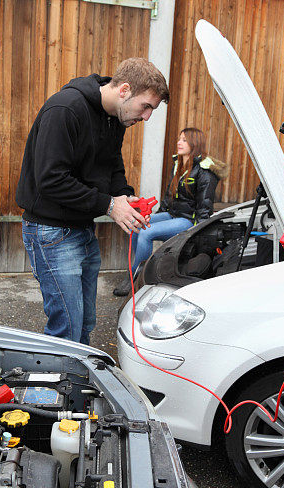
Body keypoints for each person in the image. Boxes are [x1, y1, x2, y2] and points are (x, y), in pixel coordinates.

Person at [17, 58, 169, 344]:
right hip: (51, 232)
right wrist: (110, 206)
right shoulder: (65, 109)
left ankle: (74, 382)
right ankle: (54, 383)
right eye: (146, 106)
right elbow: (50, 180)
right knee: (67, 328)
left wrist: (124, 195)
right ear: (124, 90)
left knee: (85, 322)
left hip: (82, 228)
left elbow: (111, 164)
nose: (147, 117)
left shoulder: (115, 119)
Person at [113, 127, 226, 296]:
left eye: (184, 140)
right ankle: (136, 269)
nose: (179, 143)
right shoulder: (179, 164)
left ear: (194, 143)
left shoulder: (205, 171)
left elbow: (205, 205)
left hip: (188, 220)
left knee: (145, 232)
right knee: (136, 225)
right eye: (179, 139)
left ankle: (134, 279)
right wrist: (157, 214)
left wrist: (199, 230)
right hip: (173, 214)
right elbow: (169, 195)